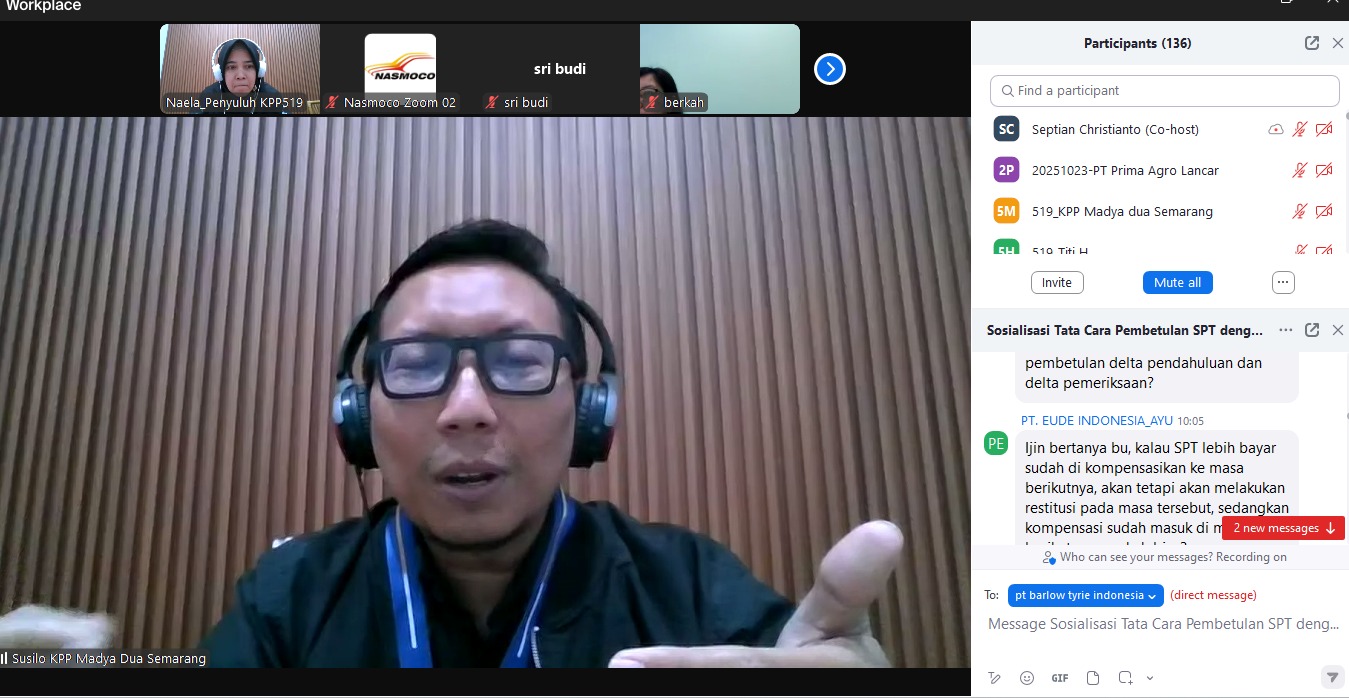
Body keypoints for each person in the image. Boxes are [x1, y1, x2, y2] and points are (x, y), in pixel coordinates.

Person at [0, 220, 904, 668]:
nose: (466, 409)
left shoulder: (690, 587)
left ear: (588, 409)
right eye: (417, 364)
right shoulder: (291, 597)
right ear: (358, 415)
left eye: (519, 361)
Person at [192, 38, 286, 115]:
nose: (240, 76)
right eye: (231, 67)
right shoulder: (208, 97)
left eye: (249, 66)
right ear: (220, 73)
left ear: (258, 70)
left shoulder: (272, 97)